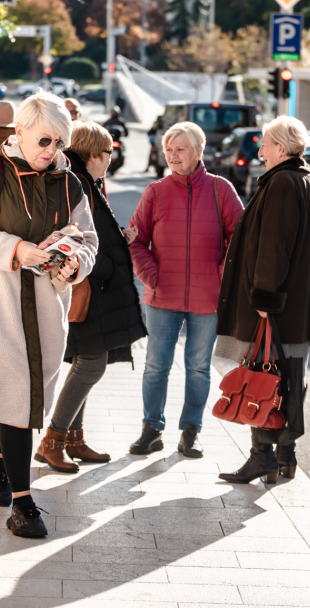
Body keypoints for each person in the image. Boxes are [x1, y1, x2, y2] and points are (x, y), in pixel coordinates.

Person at [0, 91, 99, 538]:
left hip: (47, 310)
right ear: (19, 131)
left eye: (59, 142)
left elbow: (89, 240)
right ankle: (23, 504)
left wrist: (75, 264)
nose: (51, 150)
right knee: (20, 400)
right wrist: (18, 249)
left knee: (30, 400)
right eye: (43, 140)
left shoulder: (70, 183)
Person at [214, 116, 310, 485]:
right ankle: (285, 456)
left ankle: (261, 457)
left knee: (262, 378)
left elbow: (274, 247)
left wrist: (265, 297)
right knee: (288, 380)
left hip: (276, 307)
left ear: (280, 148)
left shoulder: (282, 183)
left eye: (265, 145)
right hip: (298, 309)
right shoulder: (308, 182)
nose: (261, 152)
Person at [36, 122, 147, 472]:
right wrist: (110, 264)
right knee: (91, 363)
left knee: (87, 360)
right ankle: (53, 440)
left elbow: (93, 234)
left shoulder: (84, 181)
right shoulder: (80, 183)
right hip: (90, 288)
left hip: (92, 288)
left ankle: (73, 437)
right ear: (95, 154)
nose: (111, 159)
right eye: (109, 153)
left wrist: (118, 240)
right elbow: (77, 241)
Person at [128, 122, 243, 459]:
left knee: (198, 367)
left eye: (181, 149)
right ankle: (152, 428)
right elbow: (135, 240)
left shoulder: (221, 189)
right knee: (155, 366)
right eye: (169, 149)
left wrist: (220, 277)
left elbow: (240, 239)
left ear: (198, 151)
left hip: (208, 297)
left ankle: (191, 431)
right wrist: (152, 276)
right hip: (162, 295)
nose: (173, 155)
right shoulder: (156, 191)